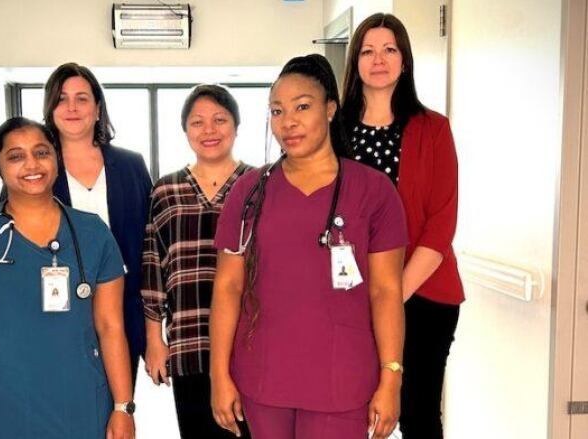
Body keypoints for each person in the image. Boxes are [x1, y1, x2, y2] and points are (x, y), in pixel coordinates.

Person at [210, 54, 408, 439]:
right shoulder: (249, 191)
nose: (289, 122)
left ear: (330, 109)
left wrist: (392, 376)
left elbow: (386, 291)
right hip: (264, 378)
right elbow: (228, 287)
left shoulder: (374, 191)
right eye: (277, 111)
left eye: (303, 107)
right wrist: (219, 375)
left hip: (343, 379)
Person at [0, 117, 135, 438]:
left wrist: (123, 407)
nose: (32, 164)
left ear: (56, 159)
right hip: (3, 406)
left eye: (41, 152)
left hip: (84, 403)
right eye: (15, 156)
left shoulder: (93, 232)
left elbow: (111, 326)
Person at [341, 13, 464, 439]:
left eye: (389, 49)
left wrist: (391, 296)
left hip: (424, 294)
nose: (379, 59)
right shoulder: (335, 131)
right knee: (345, 410)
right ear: (355, 61)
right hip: (346, 296)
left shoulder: (433, 130)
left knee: (418, 415)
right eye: (368, 50)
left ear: (405, 60)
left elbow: (440, 225)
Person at [141, 84, 252, 439]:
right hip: (188, 340)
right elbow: (153, 266)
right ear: (185, 130)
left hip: (249, 339)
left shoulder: (259, 184)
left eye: (220, 120)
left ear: (236, 126)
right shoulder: (165, 190)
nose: (209, 130)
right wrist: (154, 341)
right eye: (197, 122)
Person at [43, 63, 152, 385]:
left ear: (98, 107)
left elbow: (150, 246)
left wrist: (151, 326)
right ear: (50, 109)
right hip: (57, 315)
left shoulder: (131, 166)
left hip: (122, 312)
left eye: (82, 98)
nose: (72, 107)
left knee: (118, 410)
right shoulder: (36, 170)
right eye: (61, 99)